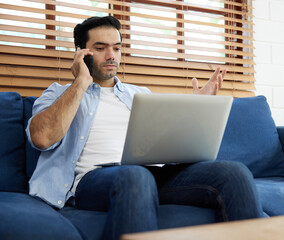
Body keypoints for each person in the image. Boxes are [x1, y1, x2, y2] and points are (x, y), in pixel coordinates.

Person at [26, 16, 262, 240]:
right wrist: (80, 82)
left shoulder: (140, 94)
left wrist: (198, 109)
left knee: (234, 173)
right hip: (94, 180)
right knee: (135, 175)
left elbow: (169, 144)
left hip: (152, 174)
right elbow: (42, 138)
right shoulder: (59, 93)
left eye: (117, 48)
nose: (111, 56)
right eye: (100, 48)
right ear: (81, 53)